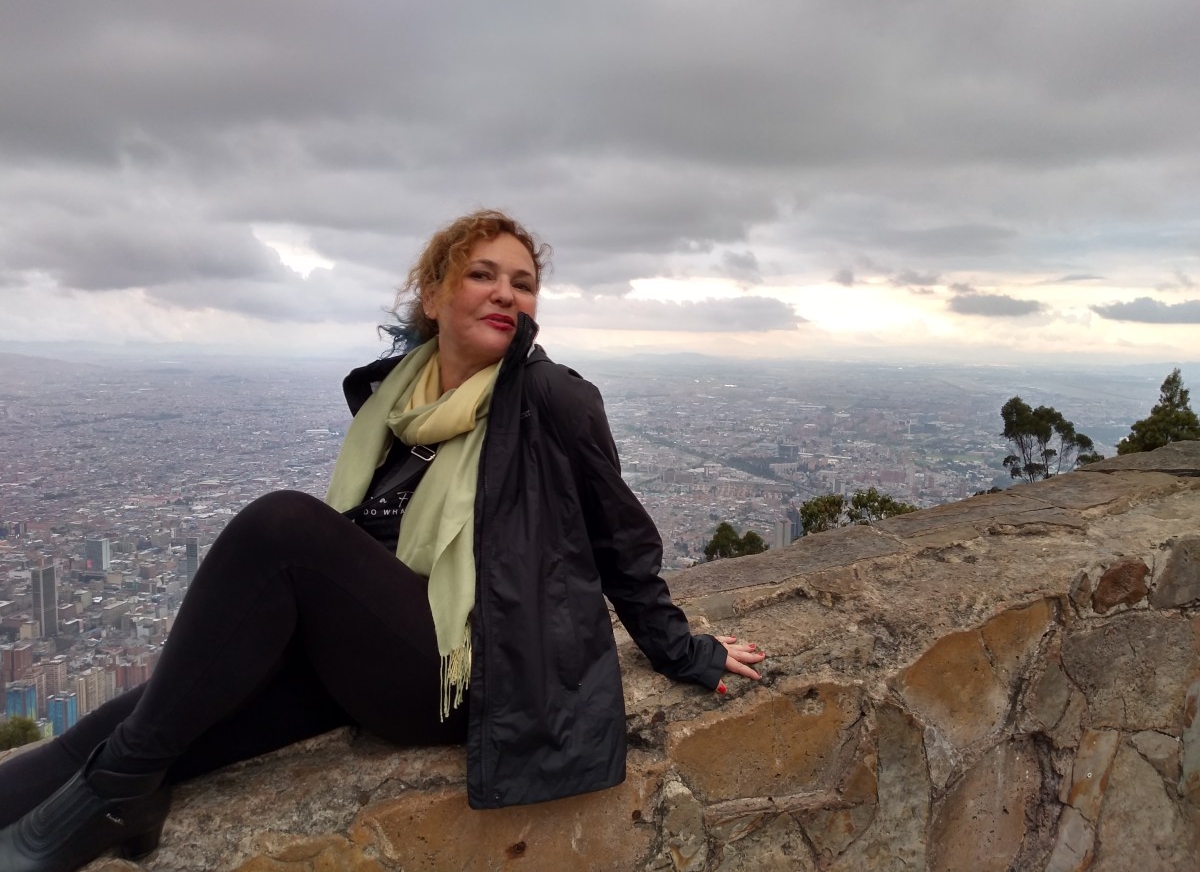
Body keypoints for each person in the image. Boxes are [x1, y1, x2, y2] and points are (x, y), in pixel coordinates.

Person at [0, 210, 765, 871]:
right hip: (373, 647)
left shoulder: (551, 398)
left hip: (466, 670)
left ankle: (114, 796)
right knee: (141, 723)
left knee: (283, 528)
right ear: (432, 297)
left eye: (522, 282)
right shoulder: (400, 398)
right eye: (482, 275)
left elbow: (619, 540)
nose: (506, 293)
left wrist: (683, 650)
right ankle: (115, 793)